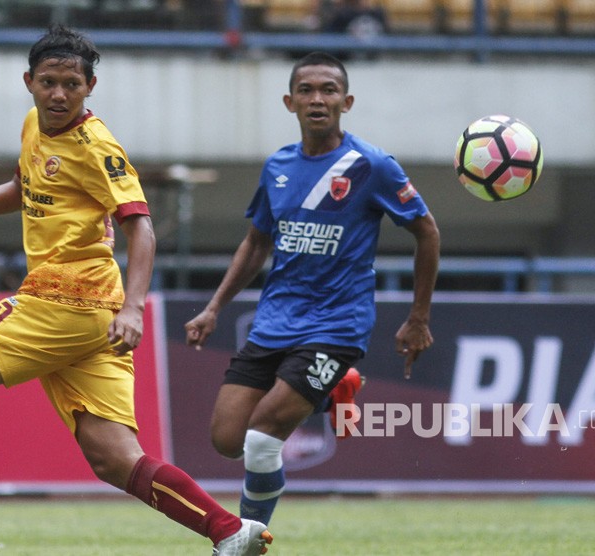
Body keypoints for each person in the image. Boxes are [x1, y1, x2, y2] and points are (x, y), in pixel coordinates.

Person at [0, 24, 271, 556]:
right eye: (49, 82)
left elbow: (142, 226)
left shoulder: (98, 146)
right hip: (94, 319)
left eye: (72, 83)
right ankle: (229, 531)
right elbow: (28, 185)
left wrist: (135, 308)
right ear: (29, 81)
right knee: (114, 458)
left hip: (65, 297)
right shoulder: (34, 127)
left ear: (91, 86)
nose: (59, 94)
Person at [184, 51, 440, 526]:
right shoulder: (277, 166)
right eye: (306, 91)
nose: (317, 100)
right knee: (227, 441)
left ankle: (246, 536)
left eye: (328, 91)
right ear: (289, 102)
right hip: (276, 318)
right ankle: (333, 391)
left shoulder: (372, 165)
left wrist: (418, 316)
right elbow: (257, 241)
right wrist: (214, 308)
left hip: (336, 324)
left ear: (347, 101)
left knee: (262, 439)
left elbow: (427, 230)